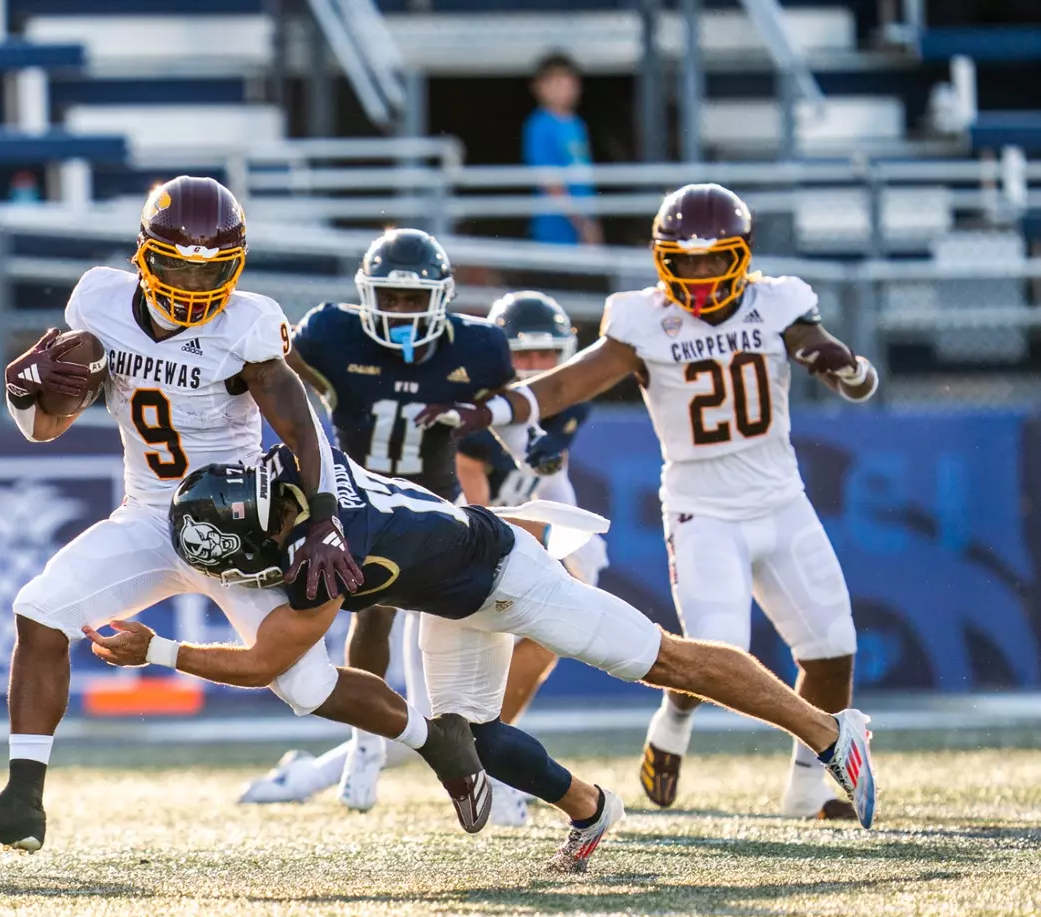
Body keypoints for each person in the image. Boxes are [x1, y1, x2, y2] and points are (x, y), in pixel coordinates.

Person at [0, 176, 493, 854]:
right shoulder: (100, 302)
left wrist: (320, 514)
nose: (191, 284)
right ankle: (22, 801)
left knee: (305, 684)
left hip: (238, 525)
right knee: (39, 608)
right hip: (148, 514)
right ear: (144, 255)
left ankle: (437, 741)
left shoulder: (247, 324)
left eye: (212, 269)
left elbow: (303, 428)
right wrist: (21, 390)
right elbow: (43, 430)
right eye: (174, 263)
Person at [85, 443, 879, 871]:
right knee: (466, 735)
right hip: (452, 587)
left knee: (666, 661)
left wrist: (155, 646)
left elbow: (265, 665)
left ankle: (829, 733)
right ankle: (592, 810)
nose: (235, 578)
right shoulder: (300, 463)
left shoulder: (321, 554)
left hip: (508, 576)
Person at [442, 183, 880, 821]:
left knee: (832, 644)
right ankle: (672, 723)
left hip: (783, 498)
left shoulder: (780, 303)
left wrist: (843, 364)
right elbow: (568, 381)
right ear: (661, 259)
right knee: (715, 644)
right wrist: (495, 410)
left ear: (743, 256)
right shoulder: (643, 320)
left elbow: (837, 362)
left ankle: (807, 790)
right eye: (686, 260)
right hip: (703, 508)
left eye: (714, 259)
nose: (700, 274)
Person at [236, 228, 515, 814]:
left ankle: (485, 757)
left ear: (442, 297)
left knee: (460, 629)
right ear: (367, 294)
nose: (402, 310)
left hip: (436, 502)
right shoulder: (331, 336)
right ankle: (365, 748)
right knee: (372, 614)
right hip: (359, 497)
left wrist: (524, 438)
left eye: (414, 299)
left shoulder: (477, 346)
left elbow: (512, 405)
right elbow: (273, 371)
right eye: (390, 297)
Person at [451, 290, 605, 825]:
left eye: (547, 355)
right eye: (525, 355)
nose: (537, 367)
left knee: (543, 641)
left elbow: (543, 478)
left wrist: (554, 539)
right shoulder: (482, 402)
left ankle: (492, 764)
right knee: (436, 706)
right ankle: (340, 765)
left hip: (518, 522)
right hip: (459, 532)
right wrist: (509, 547)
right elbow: (471, 485)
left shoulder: (572, 399)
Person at [522, 52, 600, 247]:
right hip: (555, 229)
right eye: (553, 82)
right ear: (538, 87)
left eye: (566, 81)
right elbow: (549, 181)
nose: (561, 89)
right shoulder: (539, 125)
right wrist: (581, 222)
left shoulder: (577, 124)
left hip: (583, 222)